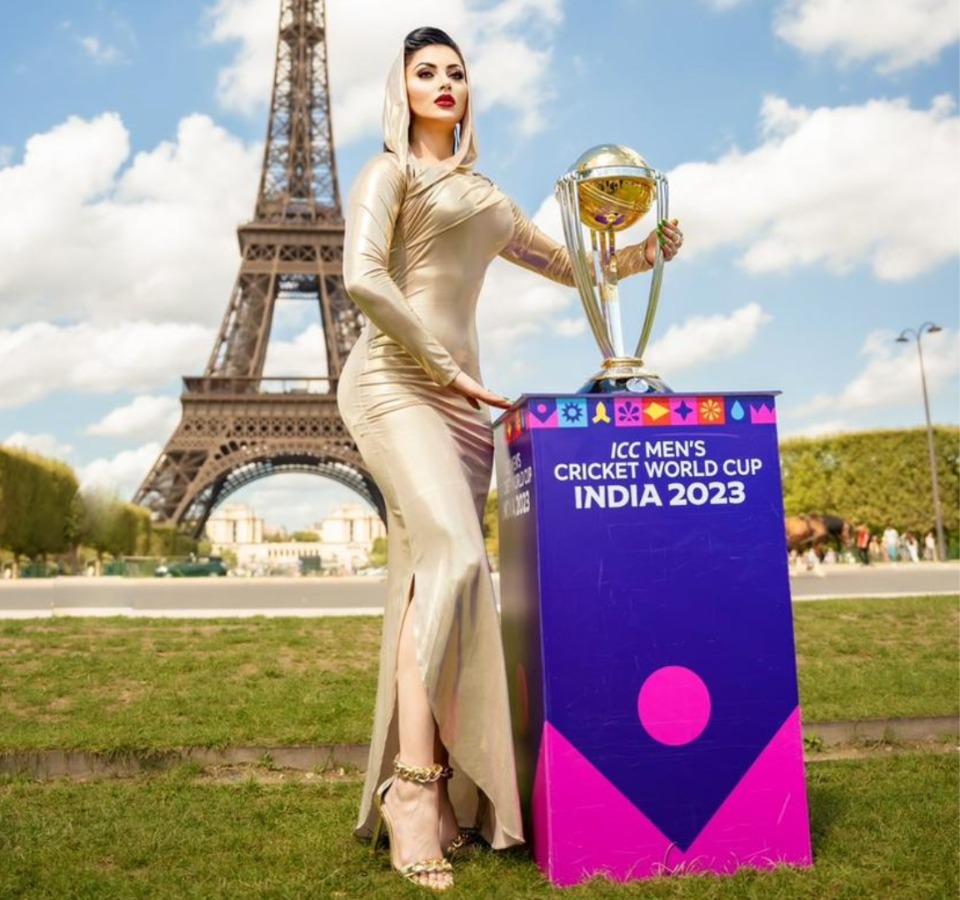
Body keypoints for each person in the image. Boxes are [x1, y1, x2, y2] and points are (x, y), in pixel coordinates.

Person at [335, 27, 681, 891]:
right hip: (395, 383)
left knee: (440, 576)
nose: (444, 82)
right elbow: (364, 279)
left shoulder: (484, 195)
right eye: (425, 71)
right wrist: (444, 365)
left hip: (462, 408)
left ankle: (441, 784)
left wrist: (641, 252)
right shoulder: (390, 175)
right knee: (452, 558)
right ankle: (412, 789)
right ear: (400, 87)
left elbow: (564, 265)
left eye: (456, 71)